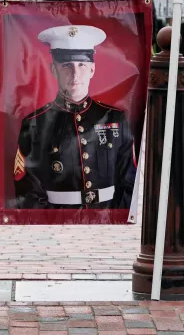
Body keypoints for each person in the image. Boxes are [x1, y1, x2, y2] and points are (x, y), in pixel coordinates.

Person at [11, 24, 137, 210]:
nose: (75, 74)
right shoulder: (35, 123)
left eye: (82, 65)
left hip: (108, 218)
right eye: (66, 66)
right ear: (53, 70)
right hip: (57, 221)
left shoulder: (114, 118)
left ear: (92, 70)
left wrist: (113, 219)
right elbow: (26, 186)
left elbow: (129, 179)